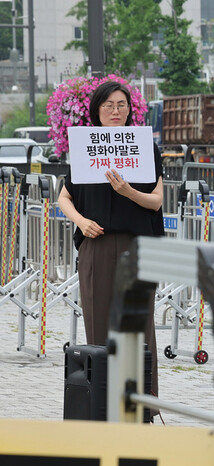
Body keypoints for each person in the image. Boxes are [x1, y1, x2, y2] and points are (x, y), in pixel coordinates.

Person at [57, 80, 163, 410]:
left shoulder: (146, 146)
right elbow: (63, 197)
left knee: (138, 326)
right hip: (96, 248)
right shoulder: (85, 146)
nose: (115, 111)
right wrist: (80, 221)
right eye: (108, 106)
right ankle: (101, 403)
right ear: (96, 111)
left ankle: (140, 405)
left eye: (121, 105)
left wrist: (128, 191)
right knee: (98, 325)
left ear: (130, 110)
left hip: (137, 247)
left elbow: (157, 201)